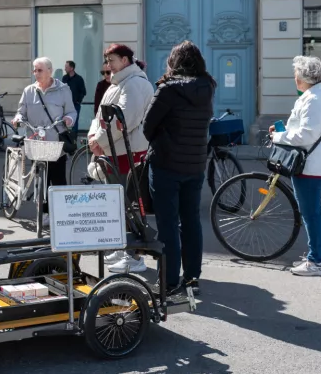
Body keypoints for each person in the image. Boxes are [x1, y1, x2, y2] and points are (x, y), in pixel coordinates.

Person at [142, 41, 215, 296]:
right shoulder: (207, 87)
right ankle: (192, 277)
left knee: (168, 225)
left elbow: (147, 127)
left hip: (166, 165)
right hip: (194, 165)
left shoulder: (167, 90)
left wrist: (162, 139)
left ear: (173, 62)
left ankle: (169, 280)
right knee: (191, 222)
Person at [87, 44, 155, 274]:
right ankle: (121, 246)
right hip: (114, 150)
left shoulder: (135, 84)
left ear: (125, 60)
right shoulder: (117, 84)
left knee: (126, 204)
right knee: (115, 204)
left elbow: (123, 122)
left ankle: (133, 256)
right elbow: (100, 116)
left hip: (127, 151)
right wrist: (93, 136)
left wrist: (98, 143)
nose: (108, 65)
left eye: (112, 60)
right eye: (107, 61)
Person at [271, 56, 321, 277]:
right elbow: (302, 127)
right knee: (312, 212)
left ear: (304, 77)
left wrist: (280, 136)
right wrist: (282, 130)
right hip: (314, 162)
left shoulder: (315, 98)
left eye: (296, 74)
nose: (294, 78)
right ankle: (316, 256)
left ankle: (317, 261)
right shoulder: (314, 95)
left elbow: (307, 134)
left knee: (311, 214)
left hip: (311, 165)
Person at [13, 57, 76, 228]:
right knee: (42, 181)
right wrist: (18, 118)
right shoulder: (29, 90)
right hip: (36, 143)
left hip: (56, 143)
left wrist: (69, 119)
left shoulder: (63, 90)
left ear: (49, 70)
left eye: (39, 70)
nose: (36, 73)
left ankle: (62, 212)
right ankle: (45, 213)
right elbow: (21, 112)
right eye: (34, 70)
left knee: (59, 179)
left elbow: (71, 111)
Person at [62, 60, 87, 130]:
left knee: (74, 123)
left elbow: (83, 92)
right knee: (64, 122)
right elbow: (62, 91)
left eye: (66, 67)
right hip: (65, 105)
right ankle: (66, 139)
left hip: (75, 105)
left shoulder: (79, 79)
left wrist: (78, 101)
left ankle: (74, 139)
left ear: (71, 68)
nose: (65, 69)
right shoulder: (64, 78)